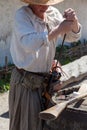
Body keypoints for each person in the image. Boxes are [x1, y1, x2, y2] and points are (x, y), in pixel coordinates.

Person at [9, 0, 81, 130]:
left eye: (46, 2)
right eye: (39, 2)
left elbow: (72, 36)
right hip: (26, 83)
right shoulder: (22, 16)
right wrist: (59, 29)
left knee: (46, 125)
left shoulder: (52, 12)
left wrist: (73, 21)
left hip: (46, 82)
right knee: (28, 124)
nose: (44, 7)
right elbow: (29, 44)